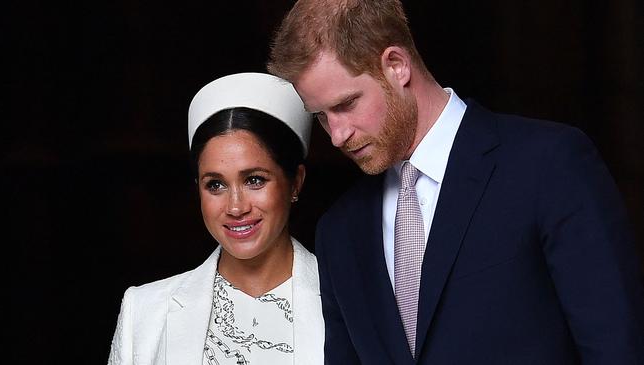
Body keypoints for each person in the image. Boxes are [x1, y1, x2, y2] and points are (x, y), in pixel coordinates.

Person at [267, 1, 644, 364]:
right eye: (320, 116)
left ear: (396, 65)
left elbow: (617, 348)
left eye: (346, 104)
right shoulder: (339, 232)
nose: (336, 135)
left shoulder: (547, 165)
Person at [108, 72, 324, 365]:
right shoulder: (145, 311)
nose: (236, 207)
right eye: (216, 185)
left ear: (295, 182)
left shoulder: (348, 303)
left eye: (255, 180)